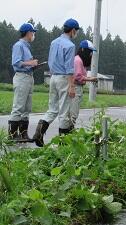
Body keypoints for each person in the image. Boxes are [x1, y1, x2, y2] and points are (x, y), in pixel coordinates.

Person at [33, 18, 80, 147]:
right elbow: (69, 68)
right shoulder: (70, 45)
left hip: (53, 77)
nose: (76, 34)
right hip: (64, 78)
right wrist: (71, 86)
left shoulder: (54, 42)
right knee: (64, 111)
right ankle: (64, 144)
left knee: (52, 108)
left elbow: (51, 60)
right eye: (76, 31)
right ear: (72, 30)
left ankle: (39, 133)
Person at [8, 23, 38, 141]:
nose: (33, 35)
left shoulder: (26, 46)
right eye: (33, 32)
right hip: (21, 77)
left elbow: (25, 63)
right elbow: (16, 62)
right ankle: (12, 135)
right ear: (28, 32)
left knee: (27, 107)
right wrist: (31, 63)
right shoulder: (18, 45)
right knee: (18, 106)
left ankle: (23, 134)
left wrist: (34, 65)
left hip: (29, 76)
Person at [70, 40, 97, 127]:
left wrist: (89, 79)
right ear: (82, 50)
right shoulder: (78, 60)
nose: (90, 54)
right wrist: (90, 79)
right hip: (76, 87)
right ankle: (68, 133)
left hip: (79, 87)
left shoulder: (80, 61)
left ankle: (69, 132)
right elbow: (78, 76)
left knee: (74, 112)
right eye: (89, 52)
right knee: (73, 113)